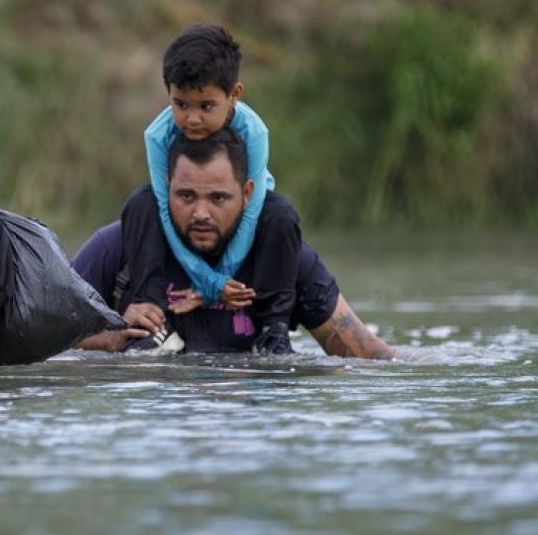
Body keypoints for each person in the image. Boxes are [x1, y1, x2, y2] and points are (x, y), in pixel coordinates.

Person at [74, 129, 393, 359]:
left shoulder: (282, 254)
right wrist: (107, 337)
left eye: (218, 198)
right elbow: (33, 338)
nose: (200, 213)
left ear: (247, 193)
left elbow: (368, 354)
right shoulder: (117, 247)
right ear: (166, 189)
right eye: (186, 196)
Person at [134, 24, 299, 351]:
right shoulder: (157, 136)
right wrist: (210, 283)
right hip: (183, 221)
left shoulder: (254, 132)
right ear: (168, 92)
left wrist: (217, 283)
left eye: (205, 106)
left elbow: (251, 213)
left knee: (280, 212)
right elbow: (165, 211)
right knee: (141, 204)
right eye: (180, 105)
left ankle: (273, 329)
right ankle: (153, 319)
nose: (192, 119)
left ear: (234, 95)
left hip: (239, 219)